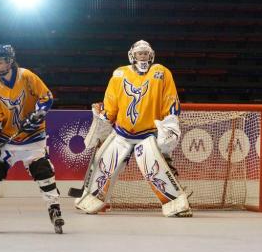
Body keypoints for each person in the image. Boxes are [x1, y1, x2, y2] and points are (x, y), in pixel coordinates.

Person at [75, 40, 192, 217]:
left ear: (151, 55)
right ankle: (90, 199)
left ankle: (176, 203)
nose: (142, 56)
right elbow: (111, 101)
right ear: (132, 55)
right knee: (103, 165)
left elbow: (170, 98)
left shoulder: (161, 72)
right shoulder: (119, 74)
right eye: (139, 53)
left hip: (148, 135)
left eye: (145, 53)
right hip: (121, 133)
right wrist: (104, 121)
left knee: (159, 170)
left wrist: (170, 122)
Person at [0, 44, 65, 234]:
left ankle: (54, 208)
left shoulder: (26, 76)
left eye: (1, 61)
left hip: (33, 136)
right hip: (9, 137)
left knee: (42, 170)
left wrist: (37, 114)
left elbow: (46, 97)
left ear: (10, 61)